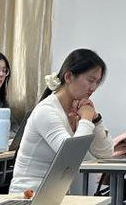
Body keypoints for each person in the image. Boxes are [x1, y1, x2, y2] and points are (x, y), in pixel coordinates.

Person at [10, 48, 113, 193]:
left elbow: (106, 153)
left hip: (56, 194)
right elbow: (71, 158)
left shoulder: (78, 109)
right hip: (28, 195)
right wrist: (86, 118)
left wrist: (95, 119)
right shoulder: (46, 111)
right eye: (91, 80)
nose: (94, 88)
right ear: (69, 76)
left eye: (97, 82)